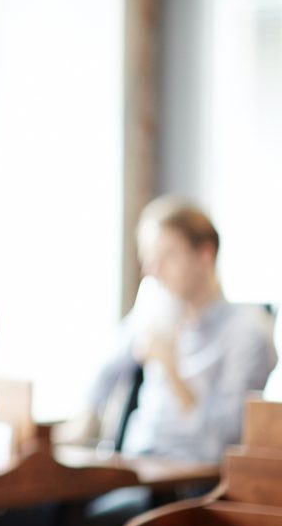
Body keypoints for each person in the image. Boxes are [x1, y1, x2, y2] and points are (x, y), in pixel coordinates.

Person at [71, 195, 277, 463]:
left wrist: (172, 371)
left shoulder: (247, 332)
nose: (153, 270)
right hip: (135, 461)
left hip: (190, 472)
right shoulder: (155, 312)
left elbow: (223, 442)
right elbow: (107, 369)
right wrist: (84, 419)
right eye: (148, 258)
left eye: (167, 255)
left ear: (205, 255)